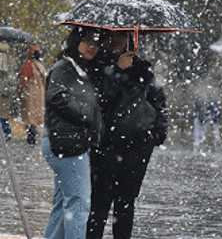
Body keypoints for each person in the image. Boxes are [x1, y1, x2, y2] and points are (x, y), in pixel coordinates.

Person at [87, 31, 167, 239]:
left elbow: (159, 101)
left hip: (138, 144)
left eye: (120, 36)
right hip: (106, 144)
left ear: (130, 39)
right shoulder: (96, 65)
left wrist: (158, 133)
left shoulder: (143, 68)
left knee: (126, 200)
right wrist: (116, 71)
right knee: (100, 200)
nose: (115, 41)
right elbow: (99, 100)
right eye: (110, 36)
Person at [42, 26, 103, 239]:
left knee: (63, 204)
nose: (92, 46)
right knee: (78, 203)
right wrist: (85, 114)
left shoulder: (79, 69)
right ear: (76, 41)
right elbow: (55, 96)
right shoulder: (65, 67)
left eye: (96, 42)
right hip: (66, 143)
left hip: (68, 142)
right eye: (87, 41)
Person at [15, 46, 47, 145]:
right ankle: (33, 132)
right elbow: (45, 81)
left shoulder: (25, 66)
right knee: (35, 115)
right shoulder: (40, 66)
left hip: (27, 94)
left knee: (29, 116)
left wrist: (19, 93)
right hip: (38, 95)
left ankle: (31, 133)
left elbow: (21, 81)